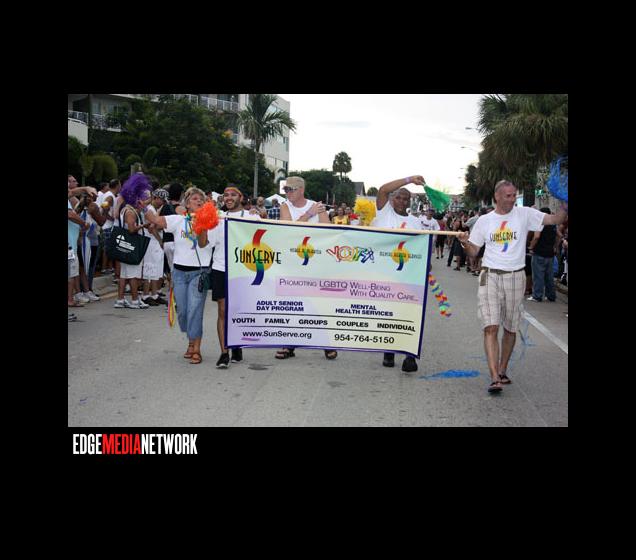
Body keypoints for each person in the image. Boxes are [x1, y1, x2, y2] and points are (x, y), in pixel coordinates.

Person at [458, 180, 568, 394]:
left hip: (516, 277)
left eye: (513, 195)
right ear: (497, 196)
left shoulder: (525, 214)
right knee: (490, 327)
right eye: (508, 195)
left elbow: (555, 219)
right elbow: (473, 252)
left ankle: (502, 370)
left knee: (510, 328)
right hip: (490, 275)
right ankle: (494, 377)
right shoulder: (484, 221)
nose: (512, 199)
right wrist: (464, 242)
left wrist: (565, 204)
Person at [144, 186, 217, 365]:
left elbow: (202, 244)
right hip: (178, 273)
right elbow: (154, 219)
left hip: (199, 273)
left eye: (201, 199)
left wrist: (202, 225)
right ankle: (191, 339)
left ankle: (196, 348)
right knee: (183, 311)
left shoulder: (212, 222)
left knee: (195, 310)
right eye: (194, 199)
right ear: (187, 204)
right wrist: (143, 206)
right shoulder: (177, 220)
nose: (198, 201)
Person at [277, 176, 337, 361]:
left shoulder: (317, 206)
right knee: (292, 306)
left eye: (291, 189)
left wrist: (315, 213)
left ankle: (325, 343)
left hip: (315, 263)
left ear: (301, 190)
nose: (287, 193)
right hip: (293, 264)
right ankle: (288, 343)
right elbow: (288, 231)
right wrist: (309, 215)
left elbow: (329, 232)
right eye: (286, 190)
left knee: (318, 305)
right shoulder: (285, 206)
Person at [370, 175, 426, 373]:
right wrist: (410, 179)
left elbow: (422, 246)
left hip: (409, 274)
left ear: (410, 202)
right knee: (389, 313)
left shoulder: (416, 222)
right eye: (399, 198)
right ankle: (389, 351)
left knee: (409, 313)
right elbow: (383, 189)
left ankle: (409, 355)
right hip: (385, 273)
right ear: (393, 199)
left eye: (406, 199)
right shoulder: (384, 213)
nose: (402, 201)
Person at [209, 185, 262, 368]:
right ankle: (224, 353)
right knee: (223, 310)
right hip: (220, 267)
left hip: (242, 269)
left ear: (241, 197)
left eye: (233, 194)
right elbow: (207, 243)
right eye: (226, 195)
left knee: (238, 310)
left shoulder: (251, 217)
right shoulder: (218, 217)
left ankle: (236, 344)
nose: (229, 198)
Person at [141, 189, 168, 306]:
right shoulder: (150, 210)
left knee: (155, 269)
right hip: (152, 242)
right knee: (150, 268)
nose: (163, 202)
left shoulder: (153, 209)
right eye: (162, 200)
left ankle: (154, 294)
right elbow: (152, 228)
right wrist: (160, 241)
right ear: (156, 198)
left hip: (154, 242)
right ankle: (146, 295)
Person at [527, 207, 559, 303]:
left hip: (539, 253)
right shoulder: (553, 224)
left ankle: (537, 296)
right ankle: (551, 296)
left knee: (538, 275)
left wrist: (531, 247)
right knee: (549, 276)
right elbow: (559, 236)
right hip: (550, 254)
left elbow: (536, 236)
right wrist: (555, 247)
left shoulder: (540, 223)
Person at [100, 179, 121, 275]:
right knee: (107, 248)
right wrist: (109, 217)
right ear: (117, 186)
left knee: (108, 247)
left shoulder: (109, 194)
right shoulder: (110, 196)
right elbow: (104, 205)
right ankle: (104, 268)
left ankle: (108, 267)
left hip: (107, 225)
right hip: (108, 225)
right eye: (120, 185)